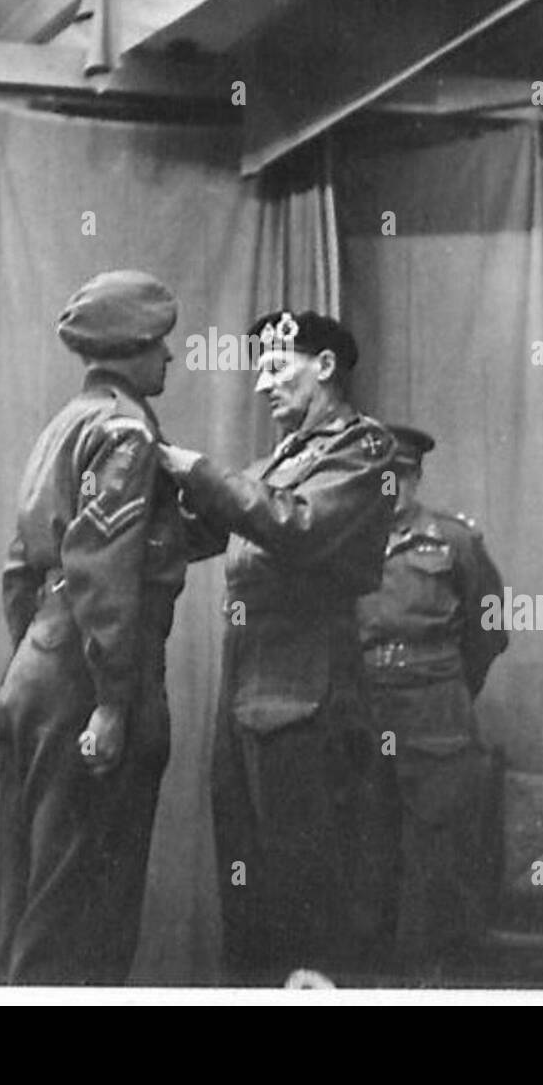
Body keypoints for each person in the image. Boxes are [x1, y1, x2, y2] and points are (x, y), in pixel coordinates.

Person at [157, 309, 398, 985]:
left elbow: (295, 524)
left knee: (306, 874)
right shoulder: (273, 464)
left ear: (324, 367)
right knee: (249, 876)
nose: (262, 383)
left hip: (307, 692)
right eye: (257, 368)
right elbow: (203, 529)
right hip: (250, 692)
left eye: (276, 365)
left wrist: (199, 469)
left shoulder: (364, 448)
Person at [0, 269, 188, 985]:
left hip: (38, 671)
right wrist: (108, 699)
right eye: (161, 344)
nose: (170, 357)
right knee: (83, 915)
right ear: (133, 347)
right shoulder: (127, 431)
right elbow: (104, 569)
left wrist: (36, 661)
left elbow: (22, 568)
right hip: (92, 676)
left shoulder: (63, 426)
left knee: (31, 904)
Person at [356, 424, 507, 981]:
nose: (386, 488)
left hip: (436, 710)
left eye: (397, 476)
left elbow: (488, 629)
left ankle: (434, 980)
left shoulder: (455, 541)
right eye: (376, 478)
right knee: (367, 848)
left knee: (438, 857)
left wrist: (446, 686)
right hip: (365, 707)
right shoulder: (345, 542)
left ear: (415, 477)